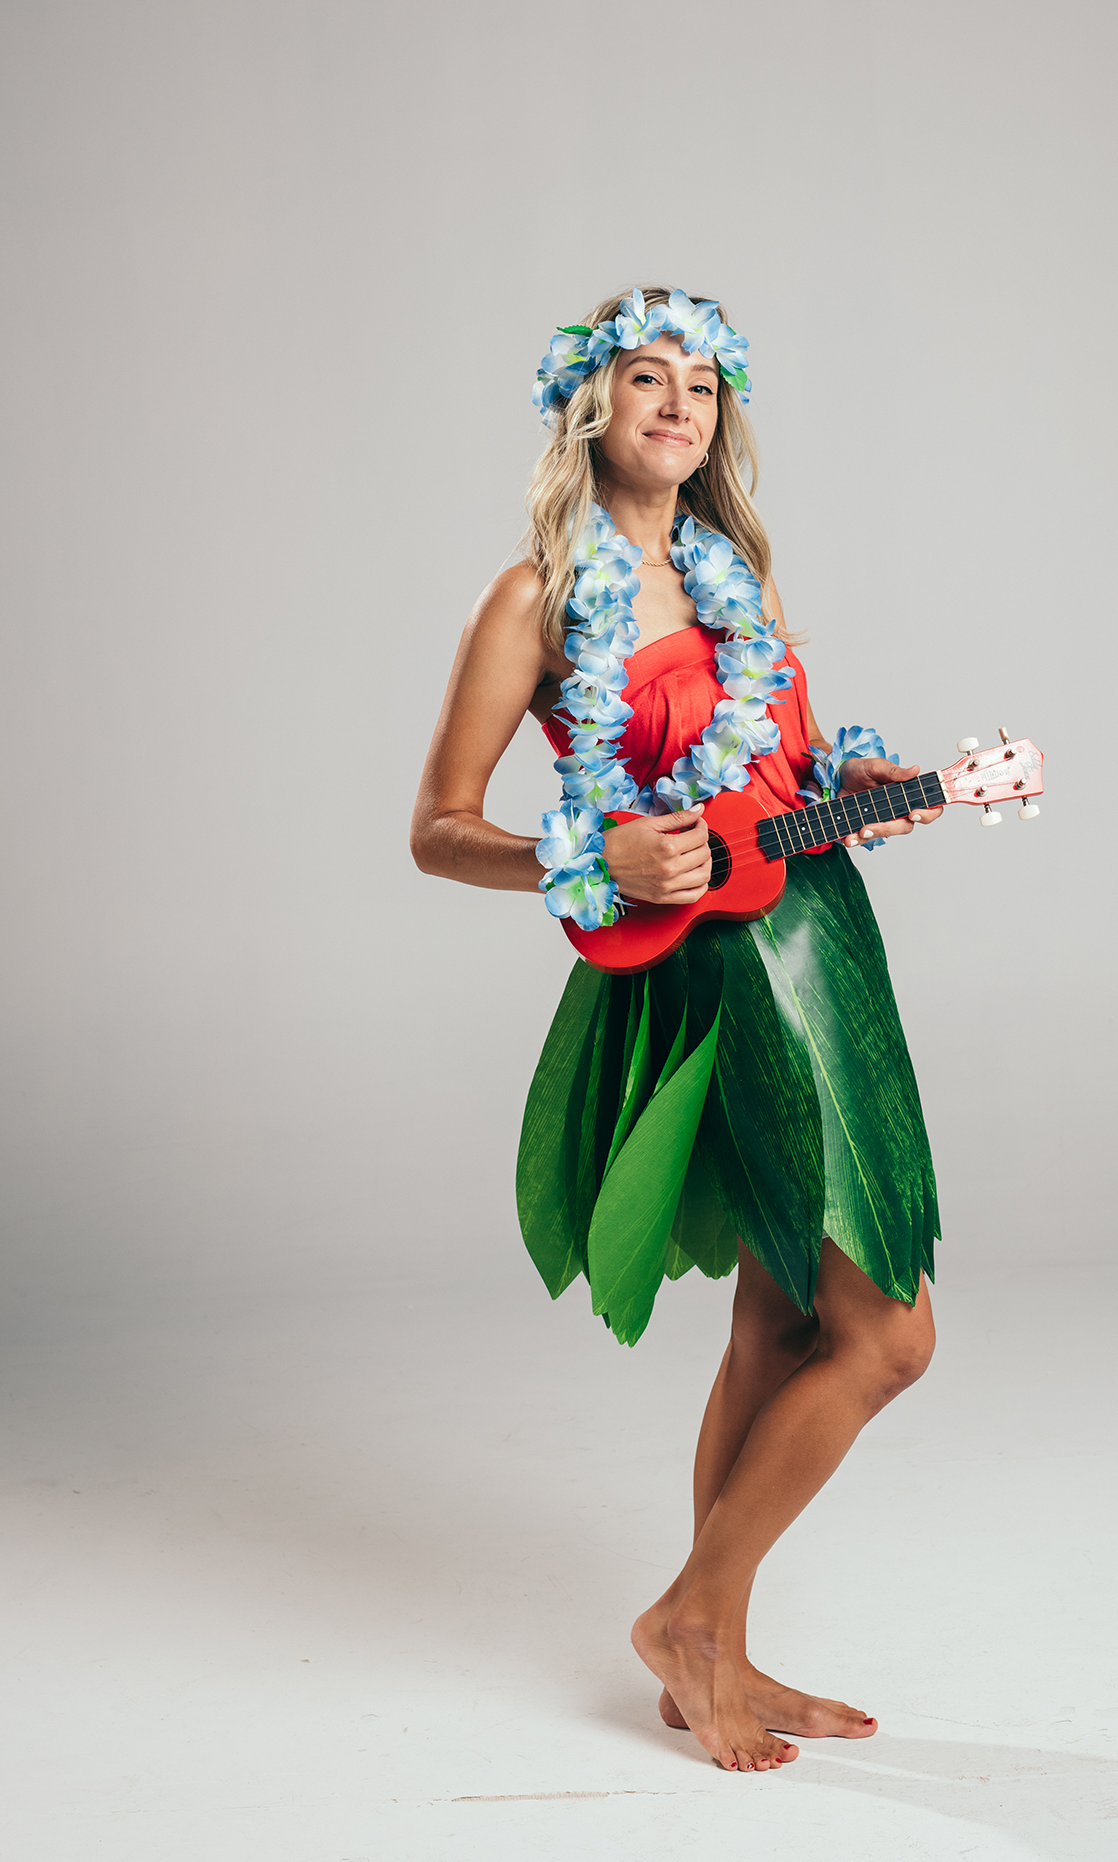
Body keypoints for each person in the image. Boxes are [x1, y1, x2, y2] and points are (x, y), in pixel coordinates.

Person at [411, 287, 943, 1774]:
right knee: (887, 1335)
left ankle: (717, 1634)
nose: (678, 405)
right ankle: (689, 1621)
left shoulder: (735, 582)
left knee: (786, 1319)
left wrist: (867, 776)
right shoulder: (526, 600)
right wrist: (584, 861)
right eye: (647, 377)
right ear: (590, 405)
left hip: (819, 948)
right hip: (701, 976)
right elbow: (437, 829)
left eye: (702, 386)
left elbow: (782, 769)